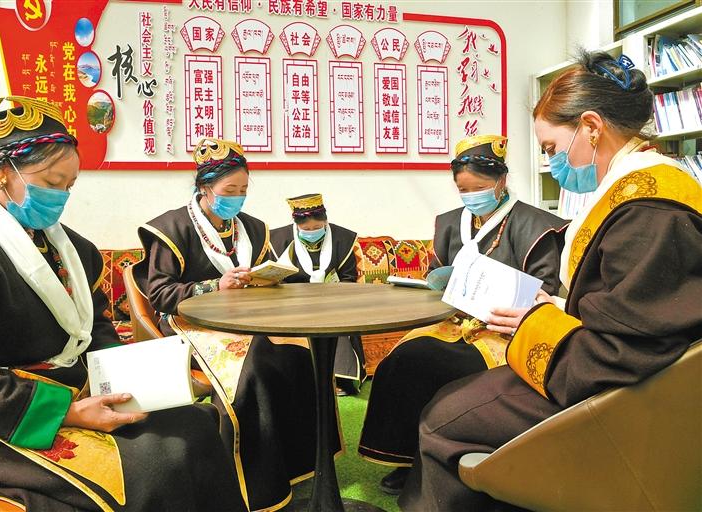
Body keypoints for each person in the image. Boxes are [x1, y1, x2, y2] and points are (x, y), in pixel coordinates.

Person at [399, 50, 702, 511]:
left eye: (551, 149)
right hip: (612, 369)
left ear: (592, 127)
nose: (552, 163)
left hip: (622, 395)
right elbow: (628, 307)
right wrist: (555, 309)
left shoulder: (649, 207)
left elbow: (628, 346)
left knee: (443, 420)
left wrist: (536, 322)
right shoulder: (637, 188)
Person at [0, 97, 246, 511]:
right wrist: (69, 412)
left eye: (69, 186)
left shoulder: (72, 249)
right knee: (156, 464)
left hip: (79, 389)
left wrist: (145, 380)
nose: (61, 197)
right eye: (51, 182)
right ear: (0, 173)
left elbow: (95, 328)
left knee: (195, 424)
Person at [132, 139, 341, 512]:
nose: (238, 198)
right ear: (205, 187)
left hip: (247, 320)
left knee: (300, 354)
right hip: (190, 323)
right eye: (230, 191)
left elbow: (271, 274)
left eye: (243, 190)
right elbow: (160, 294)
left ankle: (298, 467)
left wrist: (269, 279)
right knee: (255, 366)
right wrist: (216, 285)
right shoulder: (171, 228)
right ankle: (254, 482)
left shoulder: (253, 229)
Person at [359, 134, 568, 495]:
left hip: (501, 330)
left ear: (501, 181)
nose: (472, 196)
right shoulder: (450, 223)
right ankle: (404, 457)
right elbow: (437, 275)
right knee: (402, 358)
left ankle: (438, 460)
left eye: (480, 187)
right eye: (463, 189)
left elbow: (542, 291)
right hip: (452, 321)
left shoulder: (536, 225)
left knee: (437, 366)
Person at [270, 193, 366, 395]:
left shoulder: (344, 239)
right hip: (292, 303)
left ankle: (340, 378)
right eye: (306, 229)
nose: (312, 232)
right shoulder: (278, 240)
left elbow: (348, 277)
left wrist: (331, 297)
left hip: (333, 300)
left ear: (326, 222)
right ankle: (299, 378)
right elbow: (275, 279)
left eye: (317, 228)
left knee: (337, 319)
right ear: (296, 225)